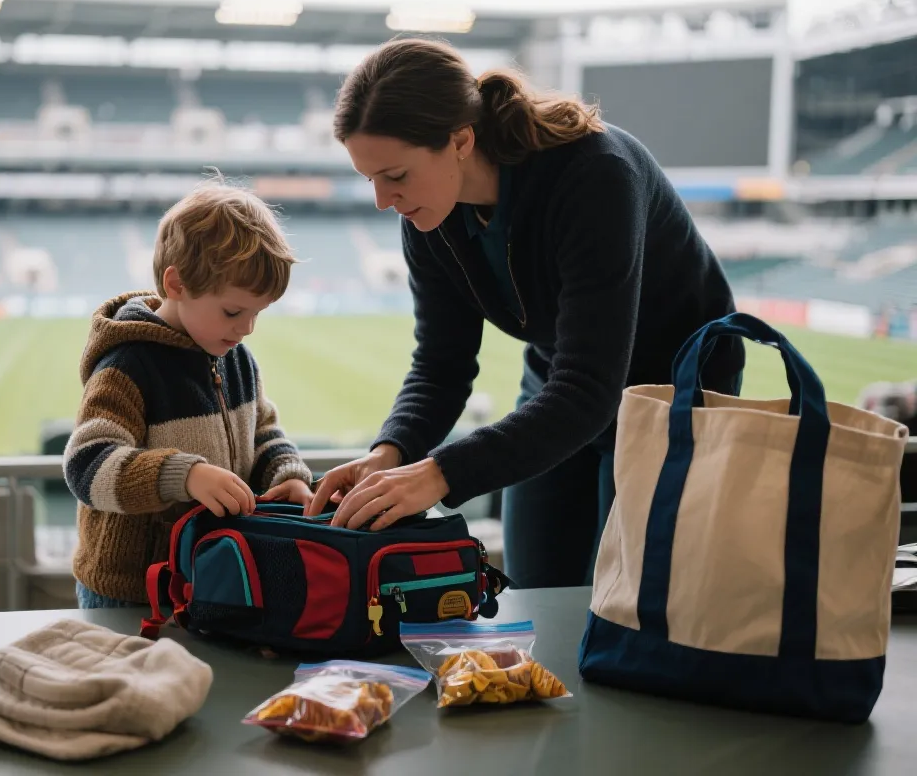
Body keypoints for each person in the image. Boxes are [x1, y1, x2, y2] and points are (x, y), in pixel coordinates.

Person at [310, 38, 745, 589]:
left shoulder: (597, 175)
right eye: (369, 178)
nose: (382, 200)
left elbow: (590, 390)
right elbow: (442, 365)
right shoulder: (427, 214)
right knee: (537, 591)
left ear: (461, 140)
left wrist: (440, 473)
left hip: (675, 388)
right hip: (562, 385)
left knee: (627, 604)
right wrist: (391, 452)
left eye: (395, 176)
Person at [65, 183, 314, 609]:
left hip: (210, 580)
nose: (247, 328)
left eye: (257, 313)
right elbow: (87, 464)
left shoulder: (236, 358)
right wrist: (185, 475)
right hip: (132, 594)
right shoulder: (129, 365)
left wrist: (286, 474)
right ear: (176, 283)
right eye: (234, 312)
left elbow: (264, 431)